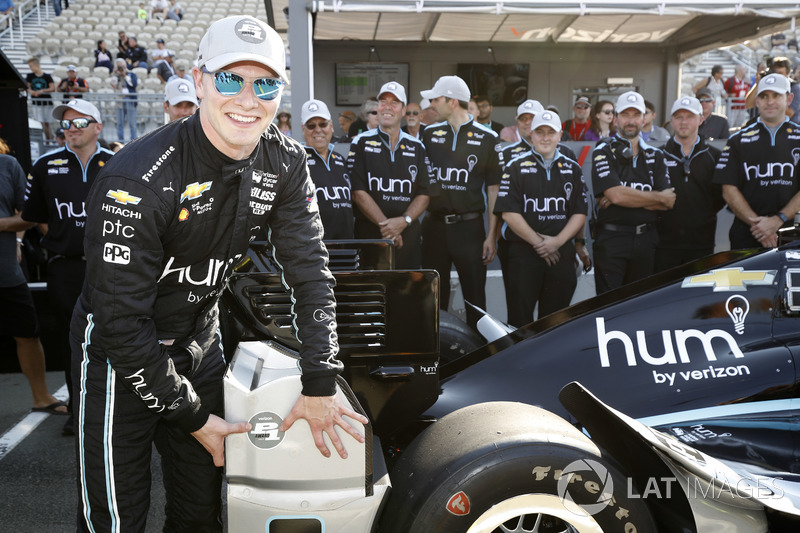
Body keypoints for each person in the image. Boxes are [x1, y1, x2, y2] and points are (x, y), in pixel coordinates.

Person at [69, 15, 368, 532]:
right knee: (117, 518)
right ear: (201, 80)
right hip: (120, 355)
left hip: (198, 342)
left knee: (199, 511)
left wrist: (321, 380)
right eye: (231, 79)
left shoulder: (286, 162)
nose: (248, 99)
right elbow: (120, 321)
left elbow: (310, 269)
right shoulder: (136, 179)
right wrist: (191, 416)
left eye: (265, 83)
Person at [22, 99, 114, 436]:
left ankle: (118, 411)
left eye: (80, 122)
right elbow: (37, 217)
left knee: (116, 336)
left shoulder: (118, 163)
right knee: (70, 340)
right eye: (66, 124)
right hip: (65, 269)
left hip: (112, 268)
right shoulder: (46, 164)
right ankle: (78, 410)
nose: (71, 128)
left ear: (98, 127)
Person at [420, 75, 503, 329]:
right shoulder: (430, 134)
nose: (432, 104)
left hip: (470, 228)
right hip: (434, 226)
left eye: (436, 99)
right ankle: (436, 355)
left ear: (452, 101)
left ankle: (480, 357)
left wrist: (492, 236)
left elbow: (493, 190)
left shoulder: (488, 138)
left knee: (475, 298)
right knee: (434, 298)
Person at [494, 111, 588, 327]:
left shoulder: (572, 167)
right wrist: (539, 243)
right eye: (540, 132)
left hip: (561, 252)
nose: (545, 137)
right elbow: (508, 212)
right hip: (524, 253)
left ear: (560, 135)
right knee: (519, 321)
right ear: (531, 134)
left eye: (550, 132)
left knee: (556, 322)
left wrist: (556, 242)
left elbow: (579, 212)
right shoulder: (515, 166)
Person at [0, 143, 68, 416]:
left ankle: (41, 397)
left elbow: (29, 215)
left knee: (28, 334)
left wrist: (3, 226)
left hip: (6, 272)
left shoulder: (7, 165)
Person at [591, 91, 675, 294]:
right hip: (612, 240)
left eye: (636, 115)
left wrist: (622, 196)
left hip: (646, 240)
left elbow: (669, 202)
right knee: (608, 307)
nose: (631, 121)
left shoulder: (657, 155)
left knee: (639, 306)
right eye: (625, 115)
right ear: (616, 118)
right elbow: (616, 195)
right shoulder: (603, 150)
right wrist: (656, 197)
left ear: (644, 118)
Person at [348, 81, 433, 268]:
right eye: (383, 101)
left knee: (406, 292)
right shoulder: (361, 142)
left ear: (403, 111)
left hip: (407, 234)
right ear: (377, 107)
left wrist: (403, 222)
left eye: (394, 103)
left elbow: (424, 193)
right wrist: (388, 228)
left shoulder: (417, 146)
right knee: (370, 293)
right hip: (370, 234)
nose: (387, 107)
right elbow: (358, 191)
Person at [713, 73, 800, 250]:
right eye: (764, 96)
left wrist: (777, 220)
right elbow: (728, 189)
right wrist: (759, 227)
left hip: (790, 232)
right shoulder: (738, 140)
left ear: (789, 98)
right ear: (757, 101)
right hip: (747, 232)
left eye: (776, 95)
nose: (770, 102)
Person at [655, 97, 723, 271]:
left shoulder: (715, 156)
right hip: (663, 244)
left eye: (690, 116)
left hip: (702, 242)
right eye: (678, 117)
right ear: (671, 120)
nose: (683, 122)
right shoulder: (657, 155)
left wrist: (702, 212)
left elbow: (720, 197)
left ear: (701, 119)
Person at [301, 99, 354, 239]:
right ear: (303, 129)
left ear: (331, 127)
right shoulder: (295, 162)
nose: (318, 130)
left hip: (346, 246)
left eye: (323, 124)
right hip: (312, 251)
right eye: (311, 125)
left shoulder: (340, 160)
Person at [26, 57, 55, 141]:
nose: (30, 68)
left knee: (47, 123)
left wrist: (41, 91)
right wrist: (31, 91)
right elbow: (27, 87)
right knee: (40, 122)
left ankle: (49, 139)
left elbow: (52, 88)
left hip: (47, 103)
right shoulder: (30, 76)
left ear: (36, 65)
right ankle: (45, 140)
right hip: (36, 103)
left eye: (31, 66)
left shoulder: (47, 76)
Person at [110, 58, 138, 142]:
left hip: (130, 100)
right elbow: (113, 85)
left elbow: (133, 84)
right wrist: (115, 74)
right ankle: (120, 141)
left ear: (125, 65)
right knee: (120, 123)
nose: (121, 68)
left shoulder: (131, 74)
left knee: (132, 123)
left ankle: (133, 141)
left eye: (122, 66)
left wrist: (124, 75)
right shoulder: (116, 76)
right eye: (119, 66)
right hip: (119, 101)